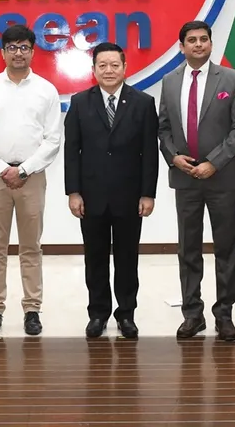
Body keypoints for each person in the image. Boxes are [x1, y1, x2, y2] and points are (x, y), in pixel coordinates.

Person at [158, 20, 235, 341]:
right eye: (191, 40)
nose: (198, 44)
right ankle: (192, 314)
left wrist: (214, 162)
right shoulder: (169, 82)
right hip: (185, 179)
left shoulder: (231, 78)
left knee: (226, 248)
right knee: (188, 248)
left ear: (211, 44)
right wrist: (173, 157)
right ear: (181, 46)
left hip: (222, 177)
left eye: (203, 39)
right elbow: (164, 128)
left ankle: (224, 314)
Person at [64, 42, 158, 339]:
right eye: (102, 65)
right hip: (90, 198)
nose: (108, 70)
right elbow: (72, 151)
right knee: (95, 258)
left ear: (124, 67)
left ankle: (126, 313)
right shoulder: (80, 102)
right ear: (93, 70)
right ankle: (98, 313)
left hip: (130, 197)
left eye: (114, 65)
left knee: (128, 259)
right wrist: (73, 192)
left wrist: (147, 193)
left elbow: (149, 153)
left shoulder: (142, 103)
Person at [0, 24, 62, 338]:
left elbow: (53, 140)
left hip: (32, 178)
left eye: (24, 47)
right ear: (2, 52)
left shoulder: (46, 90)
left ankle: (32, 309)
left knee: (31, 247)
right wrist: (1, 168)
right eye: (12, 48)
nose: (18, 53)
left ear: (33, 51)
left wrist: (23, 170)